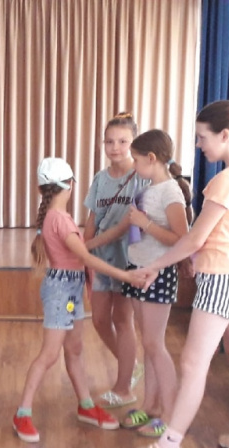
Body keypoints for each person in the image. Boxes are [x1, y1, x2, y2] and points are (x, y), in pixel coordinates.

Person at [119, 100, 229, 448]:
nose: (199, 145)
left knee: (193, 363)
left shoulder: (227, 179)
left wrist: (155, 266)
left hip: (223, 276)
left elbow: (193, 238)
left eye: (203, 137)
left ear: (226, 135)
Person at [13, 157, 138, 443]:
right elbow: (85, 257)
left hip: (70, 288)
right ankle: (22, 413)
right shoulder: (60, 220)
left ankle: (86, 405)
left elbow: (80, 255)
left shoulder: (54, 217)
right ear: (70, 185)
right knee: (49, 355)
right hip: (62, 291)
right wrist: (125, 275)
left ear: (40, 189)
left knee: (75, 349)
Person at [118, 130, 192, 438]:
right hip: (138, 269)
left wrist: (145, 224)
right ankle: (149, 406)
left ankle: (169, 415)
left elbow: (182, 238)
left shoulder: (171, 192)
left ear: (151, 158)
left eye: (136, 160)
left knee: (154, 344)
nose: (133, 166)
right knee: (148, 343)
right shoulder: (151, 187)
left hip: (157, 274)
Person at [83, 113, 147, 408]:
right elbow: (92, 219)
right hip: (101, 258)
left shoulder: (141, 177)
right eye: (109, 141)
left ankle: (124, 388)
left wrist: (87, 247)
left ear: (134, 143)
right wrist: (85, 252)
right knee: (98, 319)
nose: (115, 147)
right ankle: (130, 365)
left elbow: (125, 226)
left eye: (122, 141)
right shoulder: (100, 178)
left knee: (122, 320)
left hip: (128, 259)